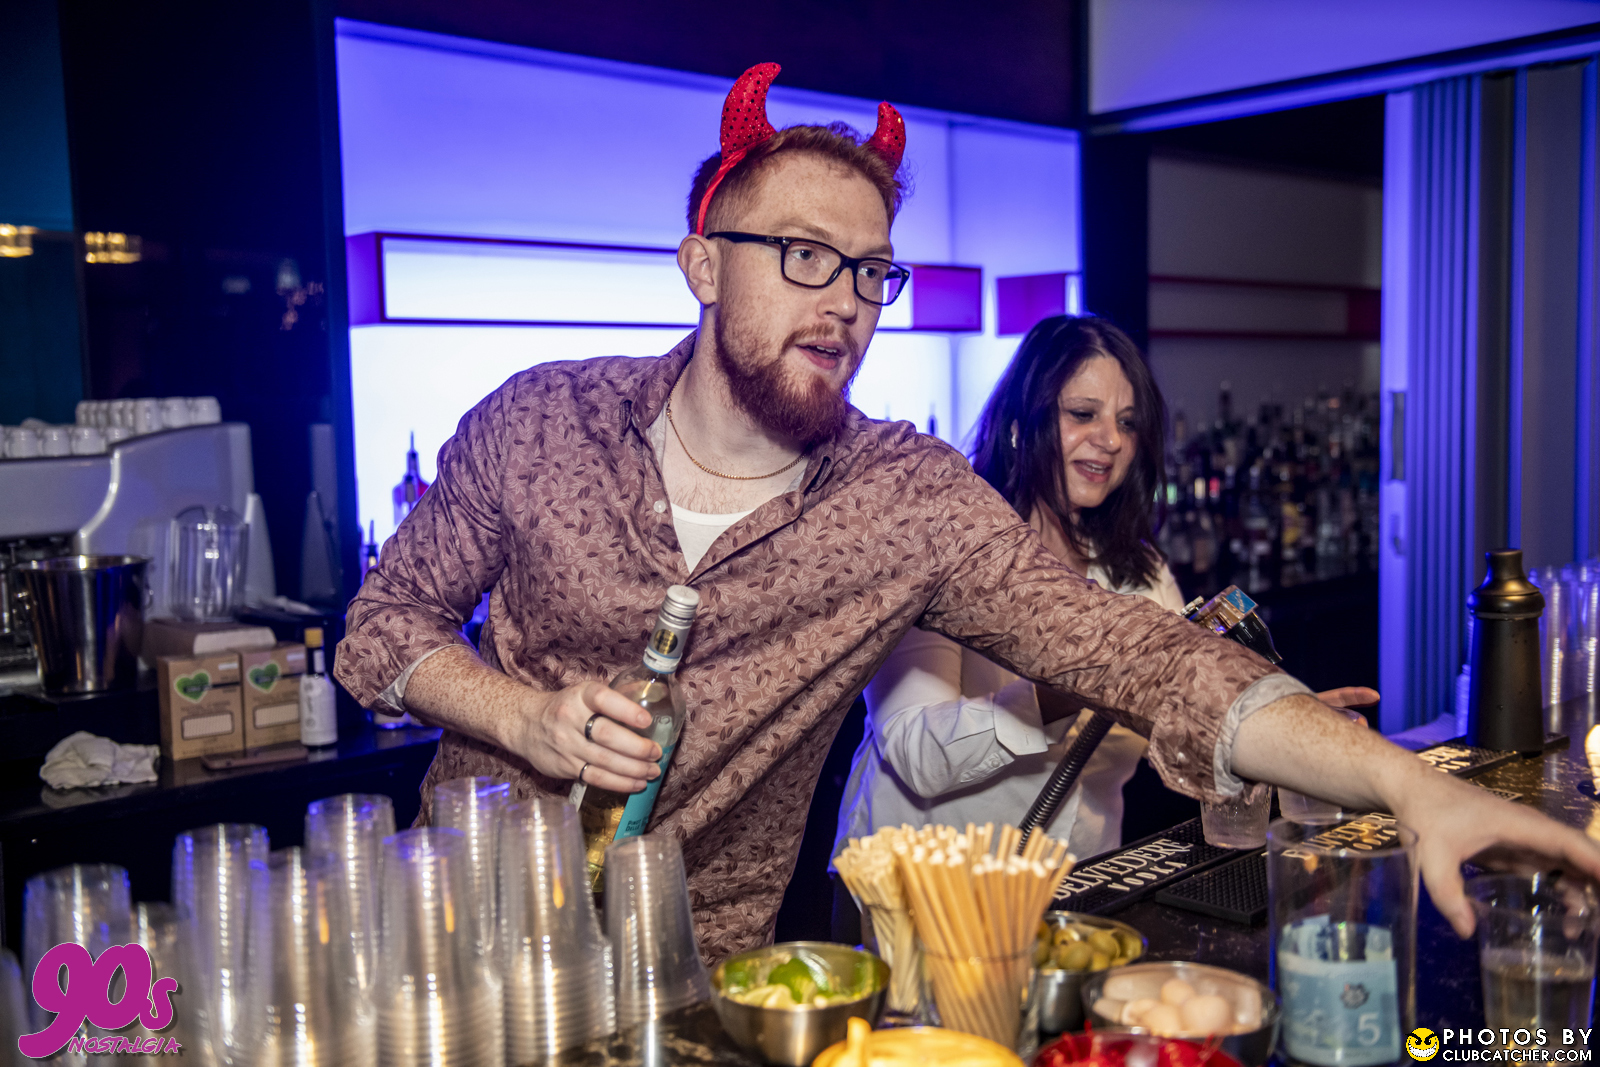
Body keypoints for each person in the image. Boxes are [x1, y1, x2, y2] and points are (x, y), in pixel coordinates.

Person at [335, 63, 1600, 962]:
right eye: (803, 254)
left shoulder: (903, 497)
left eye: (871, 270)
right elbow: (378, 628)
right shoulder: (538, 419)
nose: (845, 300)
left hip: (702, 973)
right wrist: (526, 717)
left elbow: (1145, 654)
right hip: (467, 930)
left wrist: (1406, 785)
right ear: (703, 263)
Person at [833, 315, 1379, 869]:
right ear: (1020, 423)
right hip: (919, 882)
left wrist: (1279, 725)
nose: (1112, 440)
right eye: (1082, 414)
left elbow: (1190, 710)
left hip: (1077, 876)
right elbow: (918, 755)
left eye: (1127, 422)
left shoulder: (1139, 573)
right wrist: (1084, 677)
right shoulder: (945, 549)